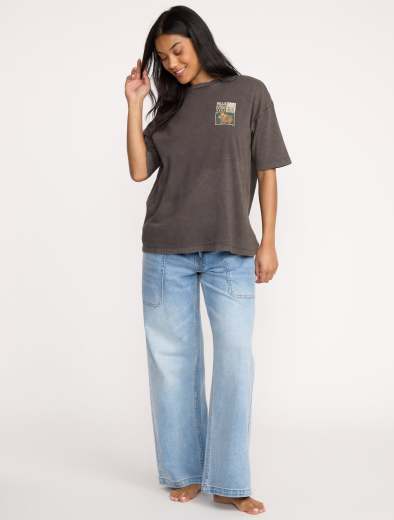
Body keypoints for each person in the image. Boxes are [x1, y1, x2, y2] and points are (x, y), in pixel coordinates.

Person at [125, 5, 291, 515]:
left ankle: (229, 481)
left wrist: (268, 241)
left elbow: (267, 170)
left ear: (199, 40)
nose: (172, 63)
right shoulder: (169, 107)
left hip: (230, 250)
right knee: (172, 366)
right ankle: (184, 473)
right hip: (166, 250)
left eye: (177, 50)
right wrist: (135, 103)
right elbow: (139, 171)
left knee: (235, 362)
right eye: (162, 57)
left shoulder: (249, 92)